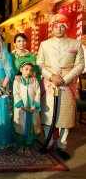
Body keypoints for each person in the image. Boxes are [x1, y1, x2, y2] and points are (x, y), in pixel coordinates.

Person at [37, 10, 85, 159]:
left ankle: (62, 146)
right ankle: (49, 142)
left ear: (67, 27)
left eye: (62, 26)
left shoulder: (76, 44)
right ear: (52, 27)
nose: (59, 28)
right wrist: (51, 76)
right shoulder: (44, 45)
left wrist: (65, 79)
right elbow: (39, 64)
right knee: (48, 115)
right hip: (49, 84)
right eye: (56, 26)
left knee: (64, 117)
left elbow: (80, 65)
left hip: (66, 85)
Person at [13, 62, 41, 156]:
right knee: (21, 127)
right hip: (21, 109)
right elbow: (15, 94)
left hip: (32, 109)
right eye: (26, 69)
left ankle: (28, 147)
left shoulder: (34, 81)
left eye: (31, 70)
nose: (28, 72)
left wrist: (34, 106)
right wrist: (22, 106)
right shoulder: (17, 81)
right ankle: (21, 146)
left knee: (31, 127)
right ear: (21, 70)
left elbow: (38, 92)